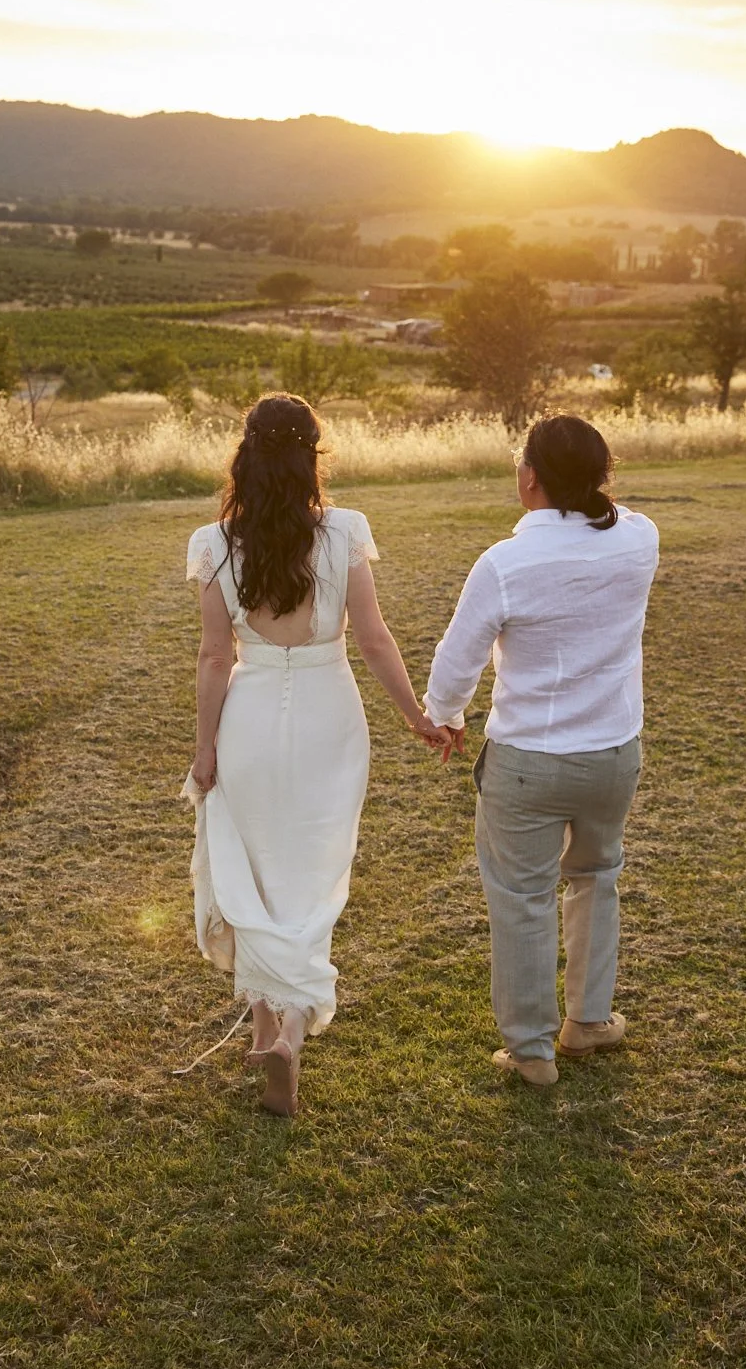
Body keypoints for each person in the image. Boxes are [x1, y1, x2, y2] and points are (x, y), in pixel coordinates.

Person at [185, 393, 448, 1116]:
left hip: (252, 719)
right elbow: (373, 638)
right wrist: (417, 716)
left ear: (246, 454)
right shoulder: (344, 535)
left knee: (262, 876)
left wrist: (204, 751)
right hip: (333, 718)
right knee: (314, 875)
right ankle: (290, 1029)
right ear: (312, 456)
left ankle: (272, 1025)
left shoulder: (216, 544)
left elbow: (214, 657)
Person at [424, 414, 659, 1088]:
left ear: (529, 479)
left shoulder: (506, 562)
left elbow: (455, 662)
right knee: (597, 876)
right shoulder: (641, 540)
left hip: (528, 760)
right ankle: (588, 1020)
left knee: (522, 898)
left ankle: (532, 1052)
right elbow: (617, 516)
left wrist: (444, 717)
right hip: (612, 754)